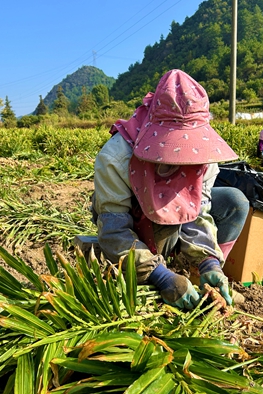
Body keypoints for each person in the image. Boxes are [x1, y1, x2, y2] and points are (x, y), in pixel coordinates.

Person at [91, 69, 250, 310]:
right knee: (159, 233)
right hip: (136, 223)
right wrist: (160, 277)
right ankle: (156, 272)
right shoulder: (116, 158)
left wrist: (209, 262)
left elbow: (199, 211)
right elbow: (114, 231)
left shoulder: (204, 161)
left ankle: (200, 275)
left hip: (174, 227)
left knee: (234, 202)